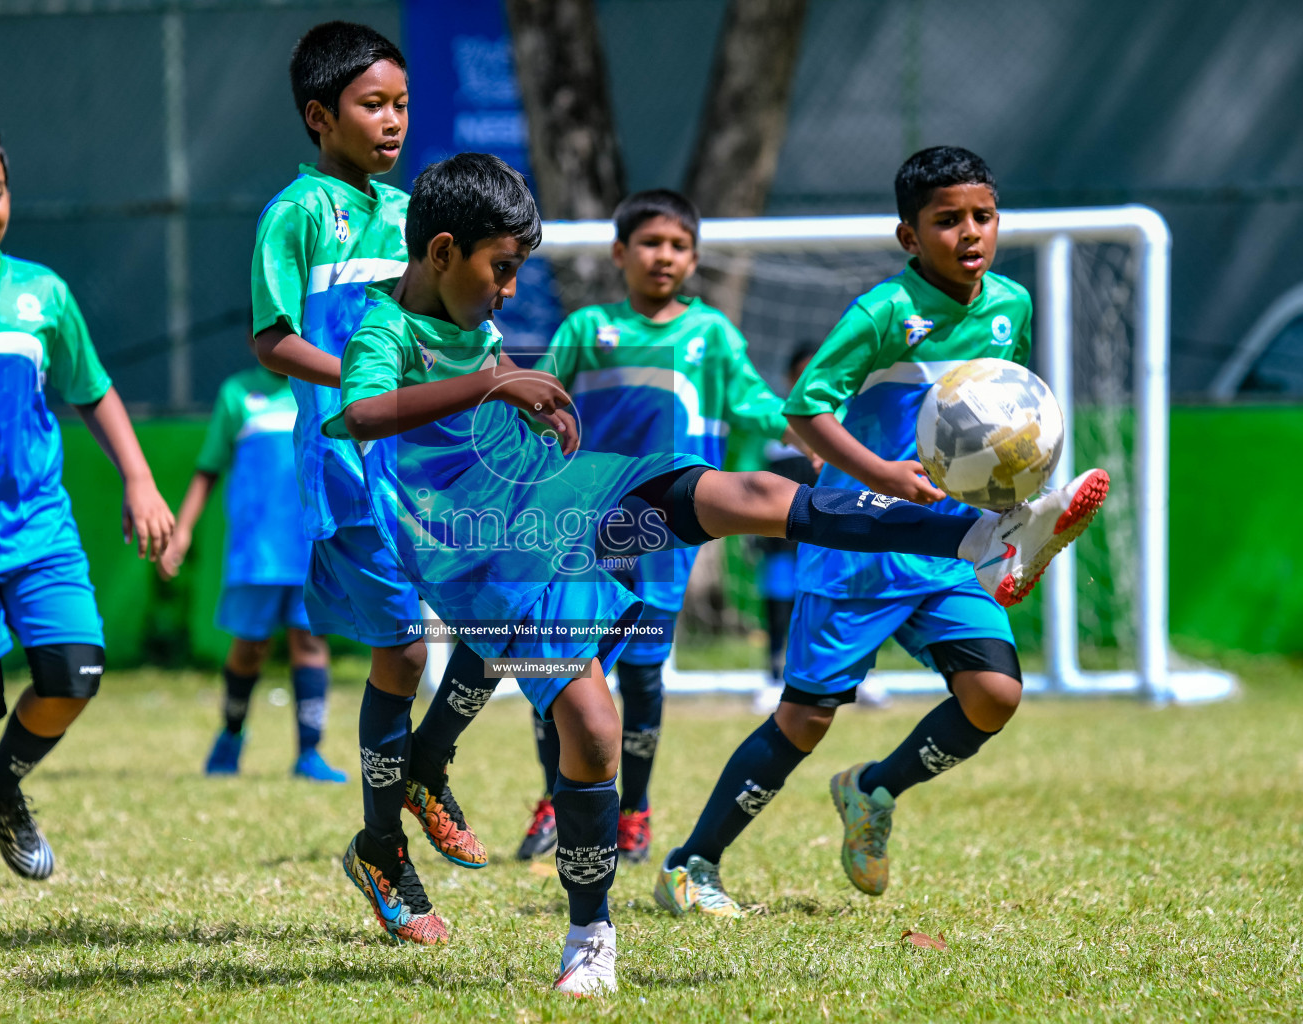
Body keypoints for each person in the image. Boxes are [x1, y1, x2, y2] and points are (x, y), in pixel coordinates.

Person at [323, 151, 1106, 993]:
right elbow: (361, 413)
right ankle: (588, 931)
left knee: (754, 492)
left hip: (564, 496)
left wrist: (520, 398)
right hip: (483, 562)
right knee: (591, 731)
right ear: (442, 253)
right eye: (502, 271)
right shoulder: (385, 330)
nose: (510, 291)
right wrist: (501, 384)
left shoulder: (468, 308)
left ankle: (978, 537)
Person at [654, 145, 1107, 920]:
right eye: (947, 220)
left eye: (983, 217)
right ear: (909, 236)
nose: (970, 234)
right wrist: (881, 474)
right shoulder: (883, 314)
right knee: (806, 718)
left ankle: (873, 789)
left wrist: (1016, 476)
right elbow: (804, 410)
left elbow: (1010, 412)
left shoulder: (1010, 306)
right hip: (860, 545)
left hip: (948, 545)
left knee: (994, 693)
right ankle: (692, 863)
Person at [247, 21, 495, 947]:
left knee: (510, 614)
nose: (393, 120)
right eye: (371, 105)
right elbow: (271, 340)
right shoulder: (297, 213)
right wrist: (360, 372)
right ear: (321, 116)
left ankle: (427, 763)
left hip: (433, 461)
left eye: (400, 103)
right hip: (354, 465)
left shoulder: (410, 212)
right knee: (403, 654)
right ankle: (383, 850)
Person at [0, 121, 177, 897]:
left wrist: (141, 480)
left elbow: (91, 389)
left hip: (38, 530)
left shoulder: (42, 293)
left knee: (74, 671)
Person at [516, 190, 795, 864]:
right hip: (583, 531)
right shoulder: (588, 329)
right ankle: (557, 797)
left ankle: (633, 811)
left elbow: (754, 404)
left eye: (676, 245)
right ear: (620, 253)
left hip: (663, 538)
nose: (662, 256)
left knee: (642, 677)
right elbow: (540, 400)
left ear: (694, 259)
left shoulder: (713, 337)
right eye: (649, 243)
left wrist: (806, 427)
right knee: (557, 668)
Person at [156, 363, 345, 782]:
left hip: (310, 545)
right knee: (249, 646)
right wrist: (182, 531)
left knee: (311, 643)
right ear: (254, 339)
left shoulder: (321, 388)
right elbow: (208, 468)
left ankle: (309, 753)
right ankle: (231, 733)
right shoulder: (237, 393)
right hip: (257, 550)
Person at [751, 346, 822, 716]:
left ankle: (854, 674)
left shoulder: (840, 422)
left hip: (828, 537)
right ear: (788, 379)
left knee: (832, 605)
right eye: (801, 373)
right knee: (779, 605)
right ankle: (774, 678)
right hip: (780, 538)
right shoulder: (774, 423)